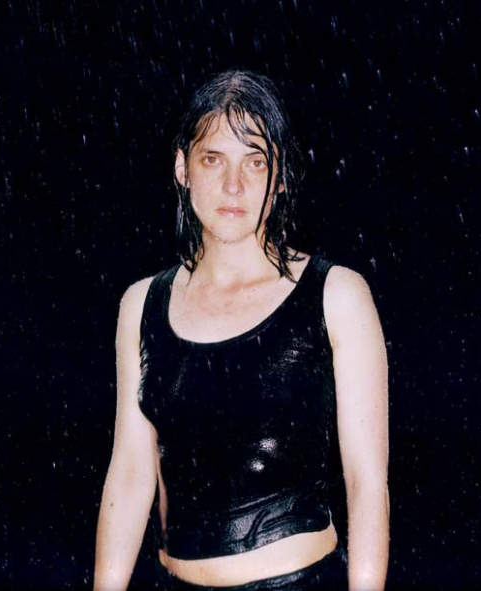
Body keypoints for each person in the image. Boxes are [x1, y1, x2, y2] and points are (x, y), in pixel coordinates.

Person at [94, 70, 389, 590]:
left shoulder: (337, 296)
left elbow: (366, 484)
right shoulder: (141, 305)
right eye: (214, 159)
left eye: (255, 162)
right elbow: (131, 472)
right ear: (183, 168)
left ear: (281, 177)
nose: (234, 186)